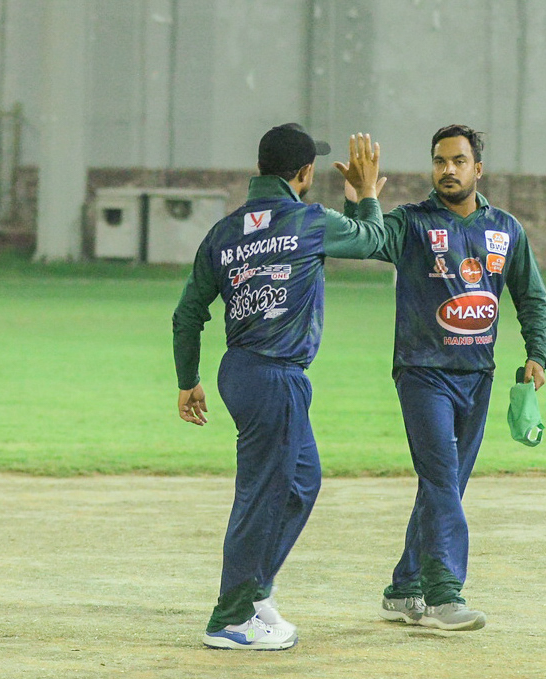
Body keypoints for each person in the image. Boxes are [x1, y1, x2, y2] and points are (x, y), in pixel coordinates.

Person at [173, 124, 386, 650]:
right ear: (305, 172)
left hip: (239, 372)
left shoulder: (224, 232)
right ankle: (230, 619)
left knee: (302, 481)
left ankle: (254, 591)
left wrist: (188, 380)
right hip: (276, 376)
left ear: (260, 168)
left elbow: (187, 314)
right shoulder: (309, 220)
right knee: (262, 497)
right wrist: (365, 195)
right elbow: (372, 240)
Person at [344, 124, 546, 631]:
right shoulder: (412, 222)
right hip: (422, 372)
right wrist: (363, 199)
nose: (448, 170)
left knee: (446, 486)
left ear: (477, 168)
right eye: (440, 161)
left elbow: (531, 296)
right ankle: (443, 596)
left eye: (458, 161)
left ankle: (403, 589)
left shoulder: (506, 228)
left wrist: (537, 353)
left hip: (478, 374)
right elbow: (366, 241)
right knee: (440, 479)